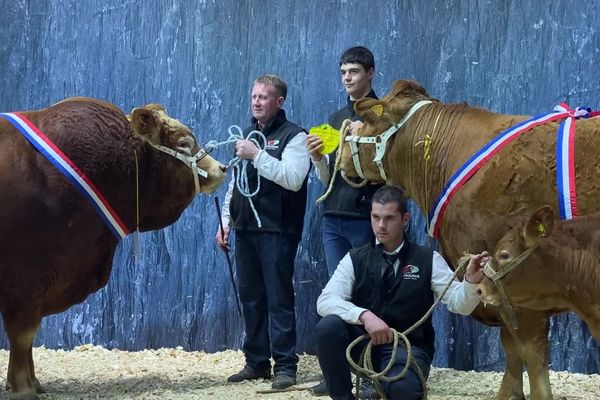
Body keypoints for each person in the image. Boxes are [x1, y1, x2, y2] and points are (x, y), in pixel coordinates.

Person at [315, 185, 487, 400]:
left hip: (408, 349)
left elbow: (459, 305)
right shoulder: (354, 258)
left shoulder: (427, 260)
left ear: (405, 220)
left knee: (403, 391)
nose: (381, 226)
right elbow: (325, 301)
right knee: (328, 327)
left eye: (389, 218)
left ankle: (391, 385)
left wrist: (470, 282)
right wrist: (364, 316)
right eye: (375, 217)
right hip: (364, 346)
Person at [216, 75, 310, 390]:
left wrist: (257, 156)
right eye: (254, 96)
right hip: (244, 228)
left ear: (279, 101)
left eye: (263, 97)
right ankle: (256, 362)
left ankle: (285, 366)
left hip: (277, 229)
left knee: (278, 298)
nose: (256, 101)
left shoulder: (295, 136)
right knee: (251, 298)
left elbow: (294, 179)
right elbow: (236, 183)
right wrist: (226, 222)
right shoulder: (248, 133)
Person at [306, 46, 383, 398]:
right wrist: (318, 158)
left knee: (369, 293)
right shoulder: (336, 117)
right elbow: (328, 178)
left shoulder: (382, 115)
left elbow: (388, 170)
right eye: (342, 72)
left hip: (366, 216)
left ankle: (369, 372)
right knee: (337, 294)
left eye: (353, 71)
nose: (347, 78)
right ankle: (337, 373)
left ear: (370, 73)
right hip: (333, 216)